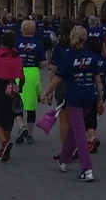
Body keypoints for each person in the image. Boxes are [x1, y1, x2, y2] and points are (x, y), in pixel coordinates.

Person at [40, 25, 100, 182]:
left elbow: (58, 78)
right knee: (75, 128)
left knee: (79, 131)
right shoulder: (91, 56)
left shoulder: (68, 56)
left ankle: (86, 169)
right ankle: (64, 159)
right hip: (89, 95)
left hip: (75, 95)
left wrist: (45, 92)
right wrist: (100, 99)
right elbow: (97, 80)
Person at [0, 31, 24, 161]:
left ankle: (4, 143)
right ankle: (4, 150)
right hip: (12, 87)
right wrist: (21, 87)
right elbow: (22, 77)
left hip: (0, 87)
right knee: (8, 120)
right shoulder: (17, 56)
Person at [14, 20, 45, 145]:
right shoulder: (38, 44)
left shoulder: (16, 43)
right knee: (31, 105)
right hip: (33, 73)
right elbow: (44, 63)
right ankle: (30, 134)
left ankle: (22, 126)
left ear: (22, 30)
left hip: (19, 72)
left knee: (17, 102)